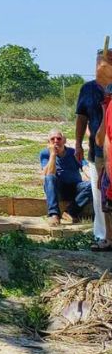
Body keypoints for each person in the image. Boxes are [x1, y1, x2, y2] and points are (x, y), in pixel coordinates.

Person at [76, 50, 112, 251]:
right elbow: (82, 118)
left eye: (104, 62)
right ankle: (103, 235)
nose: (99, 67)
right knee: (101, 196)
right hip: (99, 152)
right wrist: (78, 143)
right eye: (98, 62)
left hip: (108, 150)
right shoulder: (88, 89)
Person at [39, 129, 90, 226]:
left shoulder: (73, 153)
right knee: (49, 178)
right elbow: (48, 174)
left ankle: (70, 212)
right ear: (48, 142)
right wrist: (53, 154)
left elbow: (85, 167)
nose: (56, 141)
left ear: (64, 140)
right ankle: (54, 214)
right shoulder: (45, 154)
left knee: (92, 185)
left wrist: (94, 179)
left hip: (75, 188)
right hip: (57, 189)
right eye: (52, 139)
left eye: (59, 138)